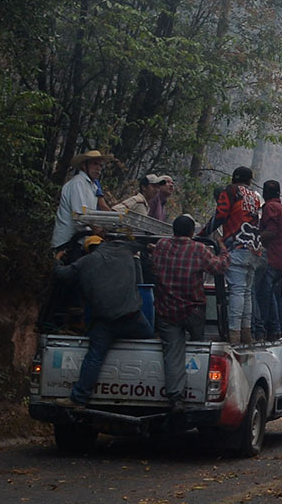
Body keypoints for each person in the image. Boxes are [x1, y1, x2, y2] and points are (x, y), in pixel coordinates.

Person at [52, 235, 149, 407]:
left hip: (105, 322)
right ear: (104, 243)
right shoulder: (125, 252)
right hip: (132, 317)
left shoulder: (85, 262)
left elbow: (62, 275)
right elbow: (141, 243)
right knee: (152, 344)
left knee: (94, 357)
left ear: (88, 249)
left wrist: (57, 260)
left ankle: (79, 398)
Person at [151, 215, 226, 414]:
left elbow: (153, 265)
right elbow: (219, 268)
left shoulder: (161, 246)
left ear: (173, 230)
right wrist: (224, 251)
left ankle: (176, 398)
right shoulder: (198, 249)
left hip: (166, 312)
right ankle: (198, 392)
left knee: (172, 354)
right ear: (192, 232)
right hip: (193, 311)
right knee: (198, 349)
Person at [206, 166, 265, 344]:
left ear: (233, 178)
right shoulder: (255, 197)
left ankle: (233, 335)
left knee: (237, 291)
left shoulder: (230, 191)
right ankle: (246, 333)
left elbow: (221, 215)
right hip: (254, 249)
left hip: (237, 246)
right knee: (246, 292)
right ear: (249, 181)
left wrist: (203, 233)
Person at [51, 149, 109, 252]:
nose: (98, 168)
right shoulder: (78, 183)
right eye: (95, 164)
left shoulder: (93, 187)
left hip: (81, 239)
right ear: (83, 165)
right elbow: (81, 214)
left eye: (100, 165)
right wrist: (97, 228)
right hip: (67, 241)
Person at [254, 181, 282, 339]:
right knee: (276, 294)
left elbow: (271, 230)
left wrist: (255, 239)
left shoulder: (270, 207)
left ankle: (271, 328)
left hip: (272, 257)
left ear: (265, 193)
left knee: (265, 293)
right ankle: (280, 327)